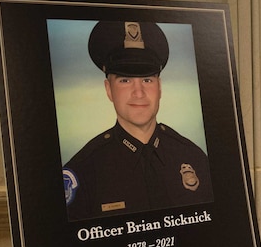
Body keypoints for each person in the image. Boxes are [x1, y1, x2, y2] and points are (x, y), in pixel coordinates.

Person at [63, 20, 213, 221]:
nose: (139, 92)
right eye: (125, 80)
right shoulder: (83, 171)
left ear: (159, 87)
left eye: (147, 80)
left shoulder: (195, 158)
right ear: (108, 89)